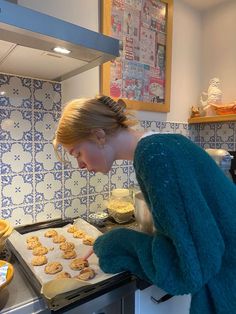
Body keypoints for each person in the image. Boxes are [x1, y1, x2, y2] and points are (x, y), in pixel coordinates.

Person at [53, 95, 236, 314]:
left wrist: (115, 242)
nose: (80, 165)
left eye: (78, 153)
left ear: (99, 135)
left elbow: (188, 270)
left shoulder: (154, 156)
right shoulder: (167, 143)